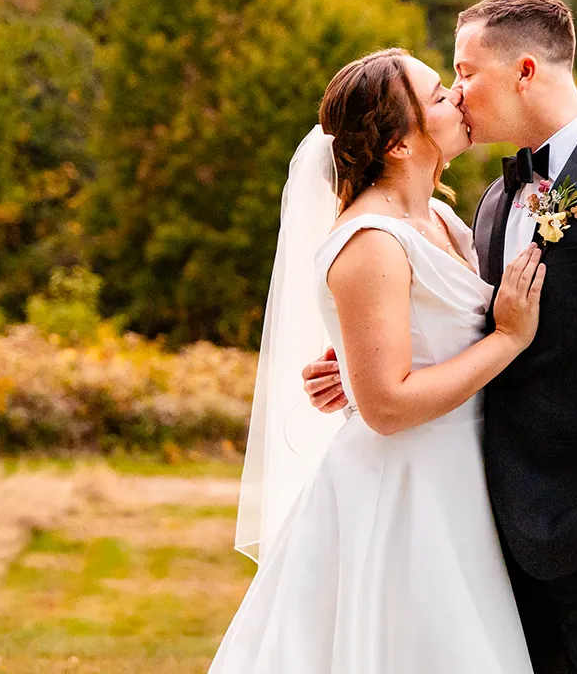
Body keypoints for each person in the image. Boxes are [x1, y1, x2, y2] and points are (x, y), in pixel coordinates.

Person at [299, 0, 577, 674]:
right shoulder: (496, 201)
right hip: (501, 533)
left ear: (525, 71)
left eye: (465, 73)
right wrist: (361, 372)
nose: (460, 93)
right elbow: (470, 335)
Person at [209, 47, 546, 674]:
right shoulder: (370, 243)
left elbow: (420, 346)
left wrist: (358, 370)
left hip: (460, 478)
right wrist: (507, 340)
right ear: (397, 145)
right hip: (405, 491)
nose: (459, 100)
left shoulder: (442, 218)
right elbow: (388, 407)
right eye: (440, 95)